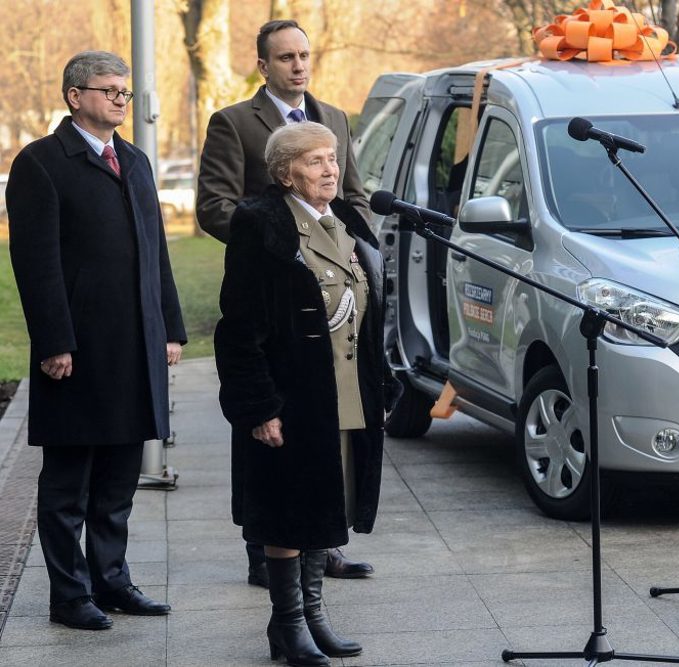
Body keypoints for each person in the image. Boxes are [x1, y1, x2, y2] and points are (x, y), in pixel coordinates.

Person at [6, 51, 186, 631]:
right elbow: (36, 265)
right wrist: (54, 342)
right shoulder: (40, 163)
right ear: (74, 96)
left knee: (118, 479)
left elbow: (155, 251)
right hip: (79, 352)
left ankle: (112, 581)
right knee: (68, 484)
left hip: (135, 348)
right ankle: (69, 595)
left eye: (124, 92)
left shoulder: (134, 160)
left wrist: (170, 327)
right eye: (108, 90)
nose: (119, 100)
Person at [197, 18, 372, 587]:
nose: (299, 65)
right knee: (274, 424)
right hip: (273, 295)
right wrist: (277, 243)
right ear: (264, 66)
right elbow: (215, 206)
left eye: (304, 55)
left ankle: (325, 543)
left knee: (330, 424)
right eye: (286, 57)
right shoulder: (233, 122)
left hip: (334, 290)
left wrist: (352, 246)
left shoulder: (334, 118)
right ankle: (266, 550)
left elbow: (353, 197)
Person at [215, 121, 397, 664]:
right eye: (315, 161)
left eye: (332, 159)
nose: (330, 170)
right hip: (292, 399)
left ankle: (315, 617)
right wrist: (259, 406)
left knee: (326, 507)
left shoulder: (344, 221)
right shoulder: (262, 225)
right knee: (287, 511)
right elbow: (239, 328)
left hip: (344, 395)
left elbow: (366, 314)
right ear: (285, 173)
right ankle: (288, 623)